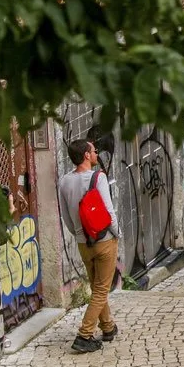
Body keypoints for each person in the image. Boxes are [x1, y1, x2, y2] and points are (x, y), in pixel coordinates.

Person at [55, 139, 120, 354]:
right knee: (102, 289)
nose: (96, 153)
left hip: (84, 243)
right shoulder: (98, 177)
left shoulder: (64, 181)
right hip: (103, 240)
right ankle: (84, 334)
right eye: (94, 151)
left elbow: (66, 216)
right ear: (86, 155)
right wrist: (116, 234)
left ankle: (108, 327)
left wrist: (79, 235)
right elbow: (109, 212)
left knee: (97, 286)